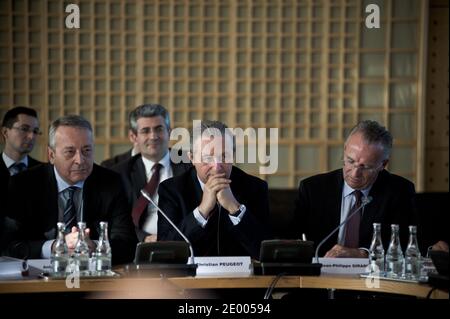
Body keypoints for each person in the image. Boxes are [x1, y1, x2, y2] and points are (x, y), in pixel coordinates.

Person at [5, 115, 137, 264]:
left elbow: (128, 244)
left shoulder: (110, 182)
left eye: (87, 151)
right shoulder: (24, 185)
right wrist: (55, 246)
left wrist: (94, 246)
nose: (80, 160)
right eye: (70, 152)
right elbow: (9, 245)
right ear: (52, 155)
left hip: (92, 278)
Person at [294, 120, 417, 258]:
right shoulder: (313, 189)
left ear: (383, 164)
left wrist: (363, 253)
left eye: (365, 167)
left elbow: (404, 242)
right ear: (345, 149)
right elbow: (294, 238)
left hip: (374, 274)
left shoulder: (399, 191)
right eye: (350, 161)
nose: (354, 174)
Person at [157, 120, 271, 259]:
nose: (217, 166)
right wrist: (202, 211)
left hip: (241, 277)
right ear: (192, 158)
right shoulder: (172, 190)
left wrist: (235, 208)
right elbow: (165, 251)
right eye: (207, 157)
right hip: (190, 278)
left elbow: (265, 252)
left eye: (224, 156)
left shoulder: (255, 188)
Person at [112, 104, 191, 243]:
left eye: (159, 129)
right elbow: (117, 220)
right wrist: (144, 238)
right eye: (145, 131)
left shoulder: (190, 165)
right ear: (133, 137)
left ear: (169, 131)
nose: (153, 136)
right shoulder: (120, 173)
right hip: (139, 247)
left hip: (183, 242)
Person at [1, 106, 43, 252]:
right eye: (24, 129)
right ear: (5, 132)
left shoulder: (44, 172)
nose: (31, 136)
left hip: (33, 252)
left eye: (35, 131)